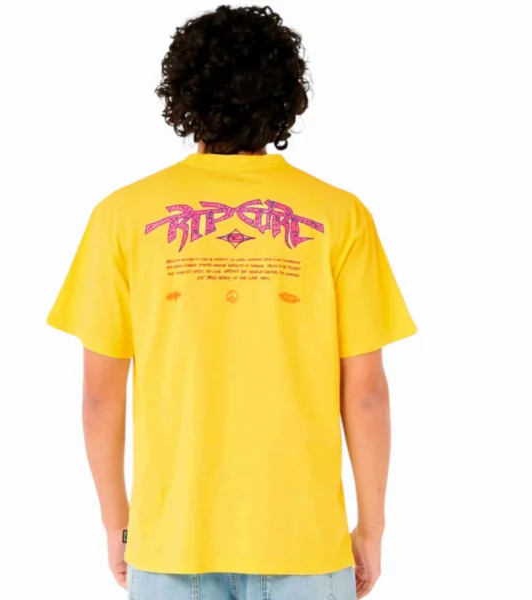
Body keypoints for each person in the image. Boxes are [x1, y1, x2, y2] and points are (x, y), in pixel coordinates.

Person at [47, 5, 416, 599]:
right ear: (286, 96)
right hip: (304, 542)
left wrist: (118, 524)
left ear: (182, 93)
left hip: (170, 543)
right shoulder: (340, 215)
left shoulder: (121, 216)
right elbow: (367, 394)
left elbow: (99, 396)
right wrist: (371, 529)